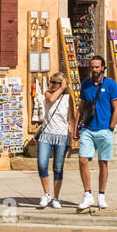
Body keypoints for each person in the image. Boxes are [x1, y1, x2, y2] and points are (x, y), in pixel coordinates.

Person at [77, 54, 117, 210]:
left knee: (103, 162)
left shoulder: (110, 85)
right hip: (88, 129)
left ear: (103, 68)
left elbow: (116, 108)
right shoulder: (86, 84)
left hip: (104, 130)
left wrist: (111, 127)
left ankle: (101, 195)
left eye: (97, 67)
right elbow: (81, 107)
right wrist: (77, 126)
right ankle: (87, 194)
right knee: (82, 160)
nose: (94, 69)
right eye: (92, 67)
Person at [36, 73, 76, 209]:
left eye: (55, 82)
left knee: (58, 168)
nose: (52, 84)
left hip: (61, 135)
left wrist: (75, 132)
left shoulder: (68, 98)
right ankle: (46, 193)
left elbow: (71, 118)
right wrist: (62, 87)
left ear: (62, 84)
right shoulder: (48, 94)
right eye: (52, 82)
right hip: (46, 135)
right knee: (42, 164)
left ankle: (56, 197)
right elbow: (52, 99)